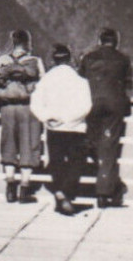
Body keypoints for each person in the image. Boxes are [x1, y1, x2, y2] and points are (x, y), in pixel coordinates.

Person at [30, 45, 92, 216]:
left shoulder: (46, 80)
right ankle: (65, 192)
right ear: (70, 59)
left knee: (56, 162)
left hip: (53, 127)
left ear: (53, 60)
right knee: (77, 162)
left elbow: (35, 103)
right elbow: (86, 106)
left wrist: (47, 118)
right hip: (75, 128)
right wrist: (68, 120)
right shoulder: (79, 80)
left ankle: (59, 192)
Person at [80, 27, 133, 208]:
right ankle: (105, 192)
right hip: (115, 106)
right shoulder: (123, 59)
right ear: (116, 41)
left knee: (92, 142)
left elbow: (81, 80)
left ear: (100, 41)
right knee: (109, 148)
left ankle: (108, 183)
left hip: (92, 105)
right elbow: (128, 84)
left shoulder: (88, 58)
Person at [0, 30, 45, 203]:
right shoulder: (35, 61)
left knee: (9, 146)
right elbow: (42, 84)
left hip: (7, 107)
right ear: (28, 43)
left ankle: (10, 188)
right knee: (29, 146)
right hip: (28, 108)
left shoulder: (2, 61)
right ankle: (24, 188)